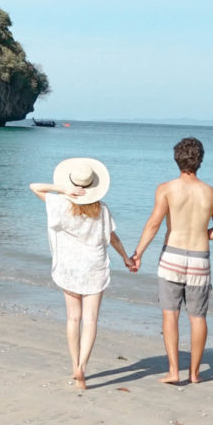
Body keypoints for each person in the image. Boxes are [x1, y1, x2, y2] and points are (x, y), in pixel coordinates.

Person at [129, 136, 213, 385]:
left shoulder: (166, 189)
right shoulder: (212, 192)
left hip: (171, 256)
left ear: (176, 159)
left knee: (170, 315)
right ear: (200, 161)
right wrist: (201, 233)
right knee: (198, 317)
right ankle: (194, 373)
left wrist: (138, 253)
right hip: (199, 260)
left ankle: (174, 371)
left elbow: (153, 224)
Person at [29, 157, 136, 389]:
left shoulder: (60, 204)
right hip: (94, 267)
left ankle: (73, 364)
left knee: (73, 318)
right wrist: (126, 257)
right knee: (90, 320)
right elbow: (112, 238)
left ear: (73, 183)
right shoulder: (102, 209)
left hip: (69, 267)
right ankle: (82, 369)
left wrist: (62, 189)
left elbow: (34, 186)